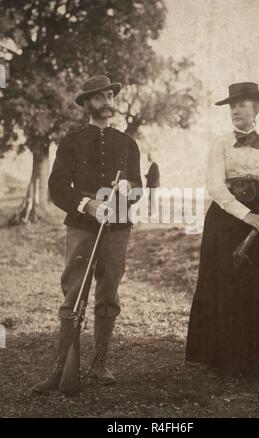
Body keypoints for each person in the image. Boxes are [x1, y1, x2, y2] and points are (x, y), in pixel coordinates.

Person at [32, 75, 142, 394]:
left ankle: (100, 364)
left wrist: (130, 188)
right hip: (81, 228)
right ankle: (61, 368)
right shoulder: (71, 142)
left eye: (110, 95)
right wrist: (87, 203)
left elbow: (137, 189)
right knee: (73, 294)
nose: (107, 101)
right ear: (86, 105)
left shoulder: (128, 143)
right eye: (99, 97)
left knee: (108, 294)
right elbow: (57, 187)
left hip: (118, 228)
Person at [186, 82, 259, 376]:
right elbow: (215, 187)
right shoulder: (220, 143)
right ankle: (227, 360)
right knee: (228, 285)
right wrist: (245, 215)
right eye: (232, 106)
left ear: (256, 109)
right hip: (228, 222)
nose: (235, 110)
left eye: (241, 104)